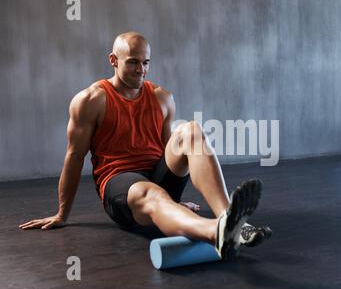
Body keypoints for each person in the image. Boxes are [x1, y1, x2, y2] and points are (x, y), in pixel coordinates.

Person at [19, 31, 271, 259]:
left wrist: (174, 204)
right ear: (113, 60)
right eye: (132, 62)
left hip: (156, 180)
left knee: (191, 130)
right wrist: (62, 214)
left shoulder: (162, 97)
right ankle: (216, 232)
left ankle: (232, 220)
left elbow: (170, 153)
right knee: (152, 193)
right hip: (122, 187)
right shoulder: (91, 100)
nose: (141, 69)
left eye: (145, 62)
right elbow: (74, 157)